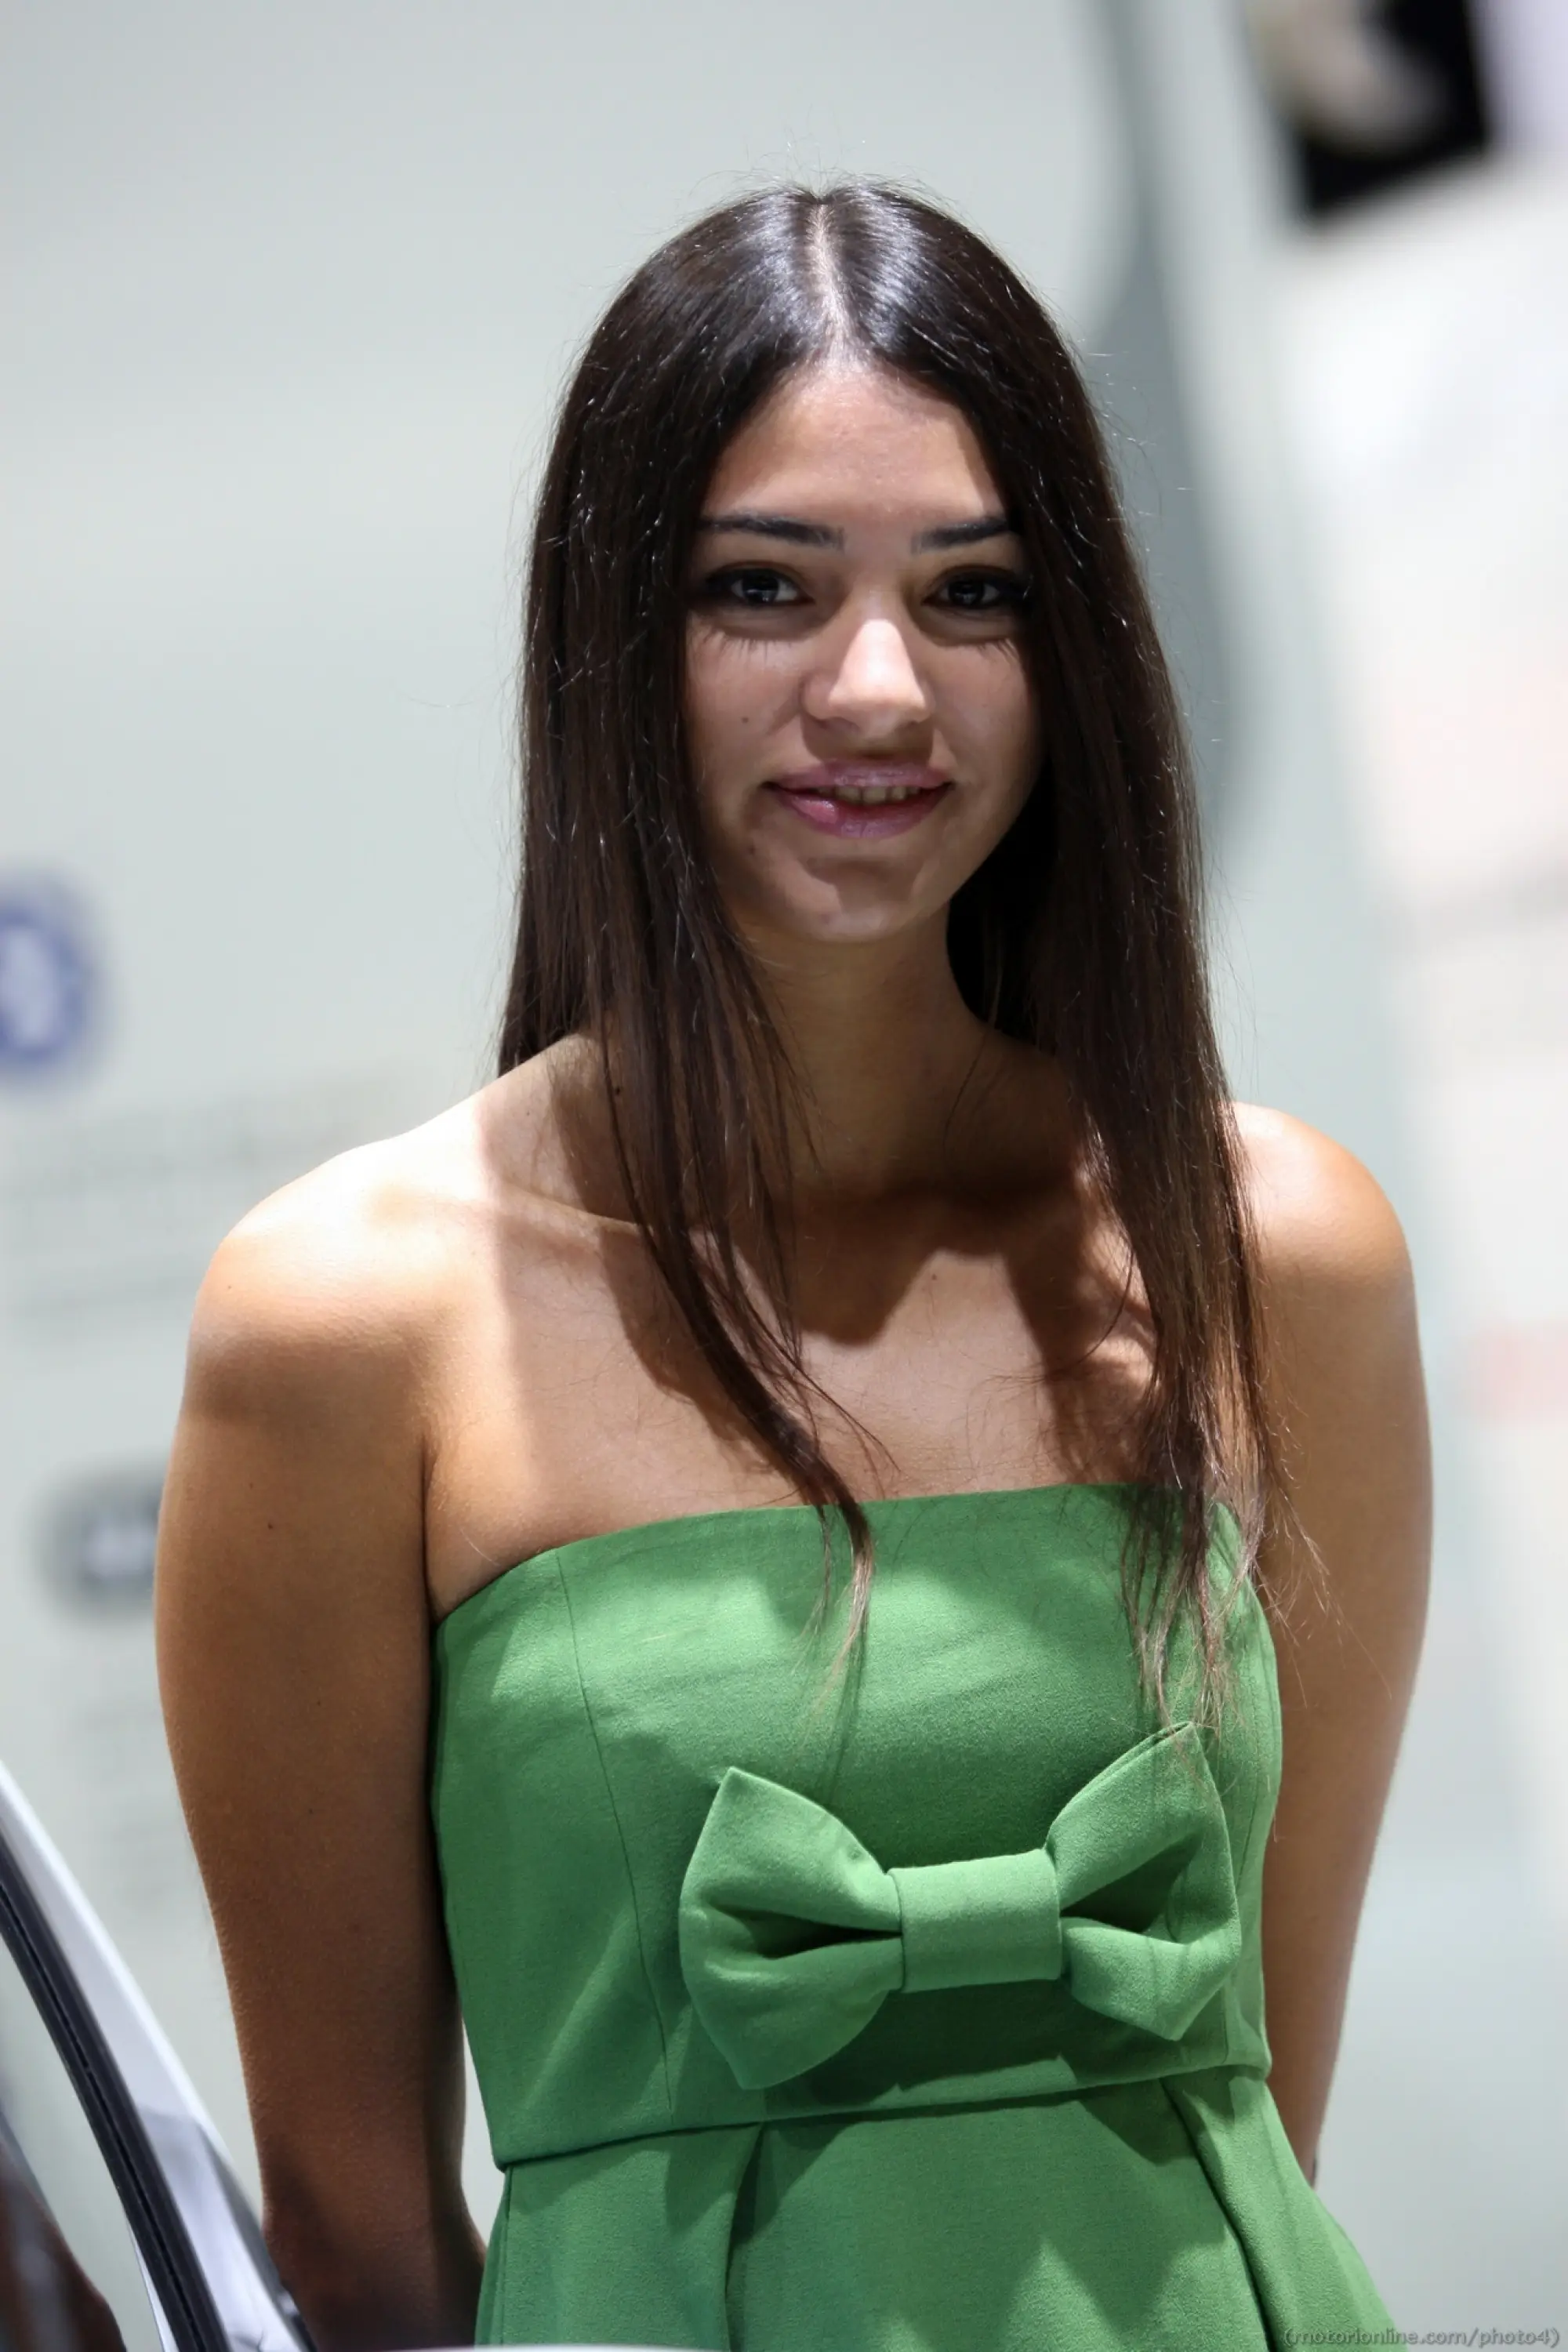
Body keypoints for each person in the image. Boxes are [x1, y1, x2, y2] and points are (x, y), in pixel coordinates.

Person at [154, 183, 1429, 2352]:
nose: (878, 688)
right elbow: (355, 2241)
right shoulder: (350, 1326)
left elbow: (1245, 2120)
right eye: (765, 587)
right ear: (612, 638)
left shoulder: (1272, 1253)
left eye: (975, 592)